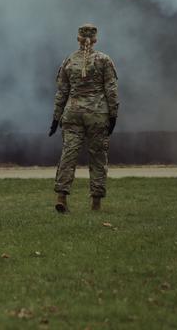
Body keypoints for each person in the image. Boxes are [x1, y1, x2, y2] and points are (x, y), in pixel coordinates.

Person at [49, 24, 119, 213]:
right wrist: (113, 115)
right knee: (97, 157)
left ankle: (61, 197)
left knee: (68, 155)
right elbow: (111, 91)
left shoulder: (69, 61)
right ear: (95, 39)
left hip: (72, 114)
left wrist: (56, 119)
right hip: (97, 115)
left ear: (78, 38)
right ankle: (96, 204)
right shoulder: (104, 60)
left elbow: (62, 93)